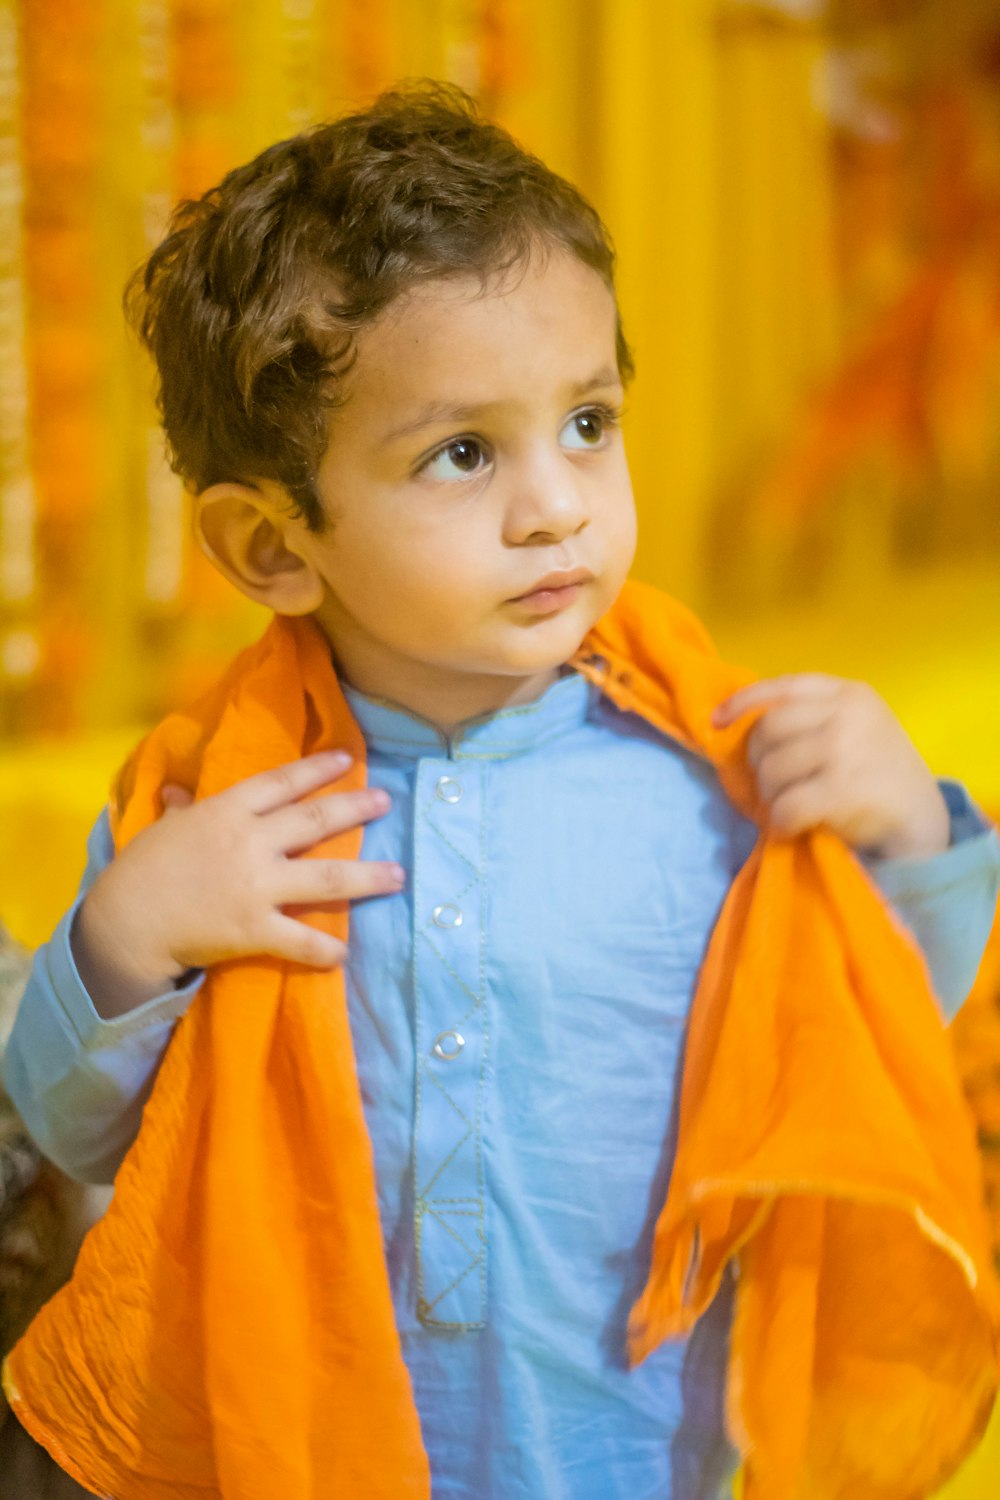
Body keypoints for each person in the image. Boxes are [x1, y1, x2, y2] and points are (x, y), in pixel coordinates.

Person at [3, 84, 999, 1500]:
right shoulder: (218, 811)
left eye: (588, 421)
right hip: (300, 1449)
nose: (556, 505)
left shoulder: (711, 770)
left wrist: (910, 836)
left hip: (639, 1452)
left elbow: (878, 1044)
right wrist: (129, 932)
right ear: (276, 549)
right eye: (464, 453)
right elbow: (64, 1122)